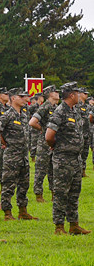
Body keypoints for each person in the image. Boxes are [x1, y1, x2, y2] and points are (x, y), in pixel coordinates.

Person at [45, 82, 90, 236]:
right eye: (77, 93)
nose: (79, 95)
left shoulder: (75, 111)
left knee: (74, 192)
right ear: (71, 95)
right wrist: (57, 147)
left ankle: (74, 225)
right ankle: (59, 226)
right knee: (61, 193)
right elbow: (49, 136)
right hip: (63, 159)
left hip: (75, 159)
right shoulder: (60, 111)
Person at [0, 89, 37, 221]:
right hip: (12, 155)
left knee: (24, 184)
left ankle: (23, 211)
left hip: (23, 156)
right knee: (8, 184)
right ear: (13, 98)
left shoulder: (23, 114)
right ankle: (7, 213)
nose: (24, 99)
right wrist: (5, 143)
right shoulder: (7, 115)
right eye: (21, 97)